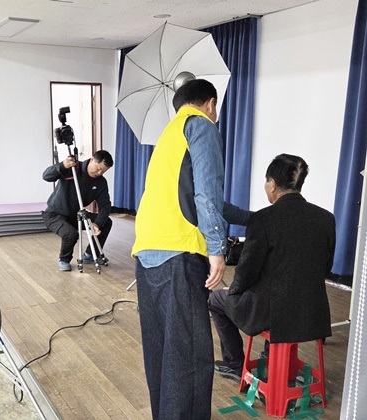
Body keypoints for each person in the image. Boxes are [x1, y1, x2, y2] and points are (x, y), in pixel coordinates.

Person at [132, 79, 250, 419]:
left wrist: (251, 218)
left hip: (148, 252)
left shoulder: (169, 135)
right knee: (190, 355)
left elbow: (202, 197)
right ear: (210, 103)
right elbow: (207, 195)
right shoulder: (201, 126)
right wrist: (218, 251)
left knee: (162, 350)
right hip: (180, 253)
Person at [208, 154, 335, 381]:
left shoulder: (263, 220)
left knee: (216, 300)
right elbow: (326, 268)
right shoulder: (326, 218)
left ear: (273, 184)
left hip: (274, 313)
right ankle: (271, 359)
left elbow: (246, 272)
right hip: (312, 312)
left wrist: (234, 291)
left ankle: (235, 364)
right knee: (276, 293)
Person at [42, 150, 114, 271]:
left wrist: (97, 224)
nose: (99, 173)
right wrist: (62, 165)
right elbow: (46, 176)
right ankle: (64, 260)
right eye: (98, 168)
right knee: (71, 234)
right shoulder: (73, 168)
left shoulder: (101, 182)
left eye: (103, 171)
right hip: (55, 215)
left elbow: (105, 206)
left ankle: (90, 255)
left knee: (106, 222)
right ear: (92, 159)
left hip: (76, 215)